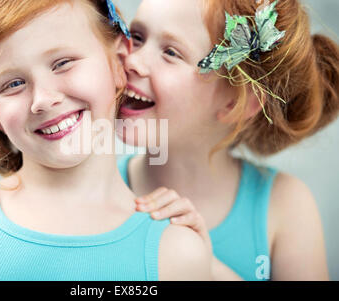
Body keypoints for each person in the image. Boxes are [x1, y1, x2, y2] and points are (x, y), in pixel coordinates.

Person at [0, 0, 211, 281]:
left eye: (62, 63)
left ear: (118, 63)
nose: (43, 99)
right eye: (13, 83)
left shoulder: (175, 253)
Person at [117, 0, 338, 280]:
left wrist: (205, 266)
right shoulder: (97, 193)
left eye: (171, 52)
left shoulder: (286, 207)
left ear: (236, 103)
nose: (132, 61)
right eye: (137, 37)